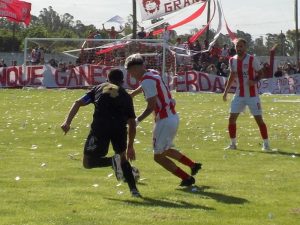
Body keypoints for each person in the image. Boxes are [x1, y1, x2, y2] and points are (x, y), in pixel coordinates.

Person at [61, 69, 141, 197]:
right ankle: (134, 190)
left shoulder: (99, 88)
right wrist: (130, 145)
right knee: (122, 157)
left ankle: (112, 162)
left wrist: (67, 122)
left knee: (87, 162)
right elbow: (132, 123)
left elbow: (78, 103)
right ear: (122, 81)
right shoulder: (126, 96)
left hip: (100, 127)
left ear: (107, 79)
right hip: (119, 128)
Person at [125, 53, 202, 187]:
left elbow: (151, 106)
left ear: (136, 69)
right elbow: (145, 86)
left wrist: (137, 121)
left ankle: (187, 179)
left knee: (158, 156)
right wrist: (133, 94)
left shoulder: (146, 81)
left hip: (164, 121)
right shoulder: (151, 72)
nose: (131, 76)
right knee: (164, 150)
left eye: (131, 72)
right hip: (172, 117)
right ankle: (193, 165)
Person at [222, 38, 270, 151]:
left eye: (241, 46)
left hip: (252, 95)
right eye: (237, 46)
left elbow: (261, 73)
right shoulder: (232, 60)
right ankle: (233, 144)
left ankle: (266, 144)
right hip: (239, 94)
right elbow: (232, 76)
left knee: (259, 120)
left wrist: (254, 81)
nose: (239, 48)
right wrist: (225, 91)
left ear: (245, 47)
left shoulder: (252, 59)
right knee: (231, 119)